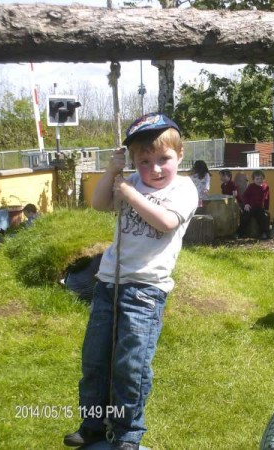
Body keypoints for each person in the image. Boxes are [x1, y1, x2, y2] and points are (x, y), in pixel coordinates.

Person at [64, 112, 198, 450]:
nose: (154, 169)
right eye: (144, 161)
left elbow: (165, 222)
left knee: (130, 364)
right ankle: (93, 425)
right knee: (95, 360)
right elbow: (98, 204)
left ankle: (127, 432)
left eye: (163, 159)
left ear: (179, 155)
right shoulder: (131, 181)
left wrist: (128, 190)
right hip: (109, 284)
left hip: (145, 291)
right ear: (135, 161)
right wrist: (112, 172)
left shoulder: (184, 189)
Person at [238, 170, 270, 239]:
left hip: (260, 207)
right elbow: (244, 196)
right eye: (257, 179)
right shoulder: (251, 186)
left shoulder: (266, 187)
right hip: (250, 206)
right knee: (245, 218)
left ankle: (264, 233)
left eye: (261, 178)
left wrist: (266, 208)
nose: (259, 180)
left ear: (264, 179)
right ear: (253, 179)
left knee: (263, 218)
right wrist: (246, 204)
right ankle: (240, 233)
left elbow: (267, 198)